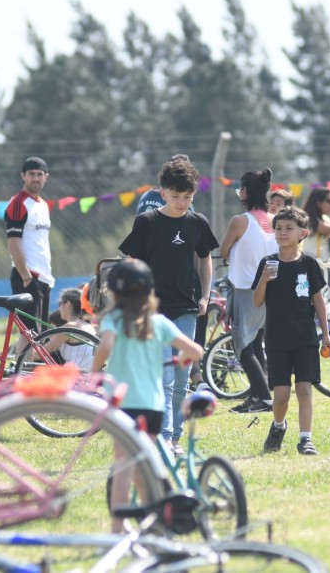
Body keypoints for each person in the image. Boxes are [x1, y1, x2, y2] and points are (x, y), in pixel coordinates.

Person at [90, 259, 203, 533]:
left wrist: (93, 371)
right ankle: (154, 520)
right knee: (142, 463)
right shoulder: (158, 322)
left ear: (113, 292)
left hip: (122, 405)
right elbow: (196, 351)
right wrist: (183, 359)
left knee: (124, 466)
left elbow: (106, 345)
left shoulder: (114, 320)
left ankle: (117, 529)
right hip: (153, 407)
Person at [119, 155, 218, 455]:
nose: (181, 203)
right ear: (162, 193)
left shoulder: (197, 223)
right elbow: (131, 262)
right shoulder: (147, 222)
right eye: (175, 196)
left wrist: (205, 295)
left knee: (182, 378)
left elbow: (205, 259)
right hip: (153, 312)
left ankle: (175, 437)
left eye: (187, 197)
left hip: (186, 309)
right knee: (164, 376)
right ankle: (162, 438)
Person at [253, 206, 330, 456]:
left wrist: (326, 334)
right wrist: (264, 279)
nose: (282, 232)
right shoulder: (267, 263)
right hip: (277, 338)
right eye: (278, 228)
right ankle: (278, 426)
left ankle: (305, 439)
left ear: (302, 233)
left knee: (304, 389)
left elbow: (318, 300)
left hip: (305, 336)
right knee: (282, 395)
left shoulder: (309, 264)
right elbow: (257, 301)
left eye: (289, 228)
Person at [218, 168, 278, 414]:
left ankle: (264, 398)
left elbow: (223, 251)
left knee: (242, 347)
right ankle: (255, 396)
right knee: (255, 343)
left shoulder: (240, 221)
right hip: (270, 289)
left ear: (244, 191)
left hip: (245, 290)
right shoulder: (275, 220)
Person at [5, 156, 54, 341]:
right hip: (27, 276)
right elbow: (13, 243)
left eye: (40, 174)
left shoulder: (43, 205)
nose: (36, 178)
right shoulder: (18, 203)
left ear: (46, 177)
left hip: (44, 277)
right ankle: (20, 362)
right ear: (23, 176)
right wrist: (26, 277)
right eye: (31, 174)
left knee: (39, 336)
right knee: (30, 336)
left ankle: (23, 361)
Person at [41, 288, 97, 371]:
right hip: (91, 375)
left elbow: (39, 353)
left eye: (60, 304)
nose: (59, 308)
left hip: (76, 376)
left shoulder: (70, 327)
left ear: (67, 304)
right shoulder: (88, 326)